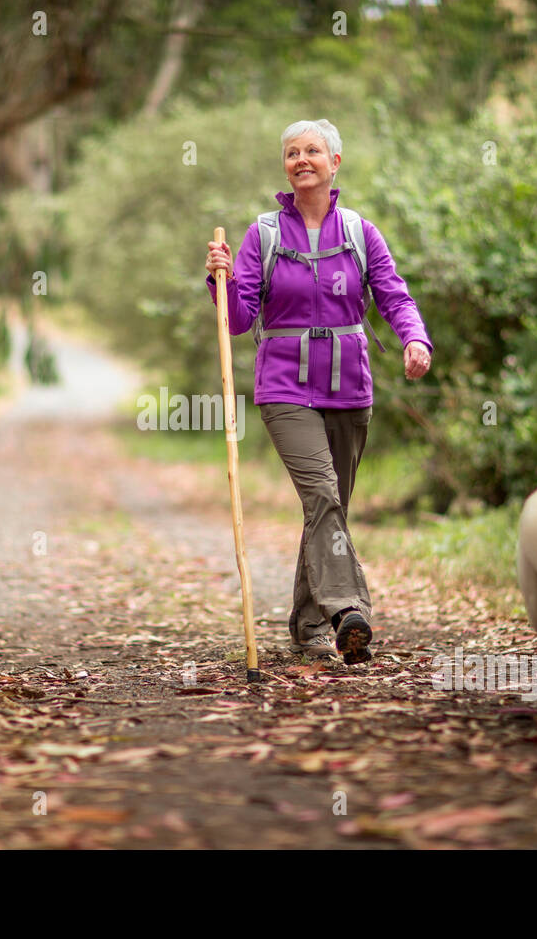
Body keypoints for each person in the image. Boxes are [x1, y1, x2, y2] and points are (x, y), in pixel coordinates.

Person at [204, 118, 433, 665]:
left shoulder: (360, 231)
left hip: (349, 386)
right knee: (323, 495)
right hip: (285, 387)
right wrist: (223, 280)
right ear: (284, 165)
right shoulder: (263, 233)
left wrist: (414, 339)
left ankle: (308, 626)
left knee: (328, 509)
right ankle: (348, 611)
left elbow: (394, 295)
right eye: (291, 152)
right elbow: (238, 321)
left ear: (335, 162)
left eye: (312, 150)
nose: (301, 159)